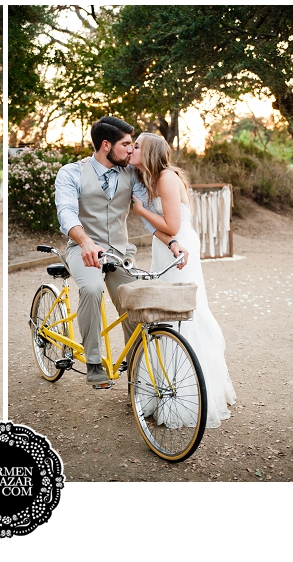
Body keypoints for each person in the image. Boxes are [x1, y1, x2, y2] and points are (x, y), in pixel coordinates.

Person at [55, 116, 188, 387]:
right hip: (83, 250)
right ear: (106, 145)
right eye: (127, 144)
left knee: (135, 301)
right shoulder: (71, 173)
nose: (131, 149)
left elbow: (145, 216)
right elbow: (66, 213)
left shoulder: (132, 175)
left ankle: (138, 368)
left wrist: (171, 242)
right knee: (92, 290)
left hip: (120, 253)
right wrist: (86, 242)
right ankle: (93, 360)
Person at [130, 132, 237, 427]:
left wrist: (140, 210)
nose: (131, 149)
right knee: (164, 313)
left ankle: (192, 392)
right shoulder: (147, 178)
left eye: (136, 146)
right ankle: (163, 386)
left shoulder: (165, 177)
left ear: (149, 151)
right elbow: (162, 231)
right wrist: (162, 236)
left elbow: (173, 225)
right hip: (168, 246)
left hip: (180, 248)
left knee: (183, 313)